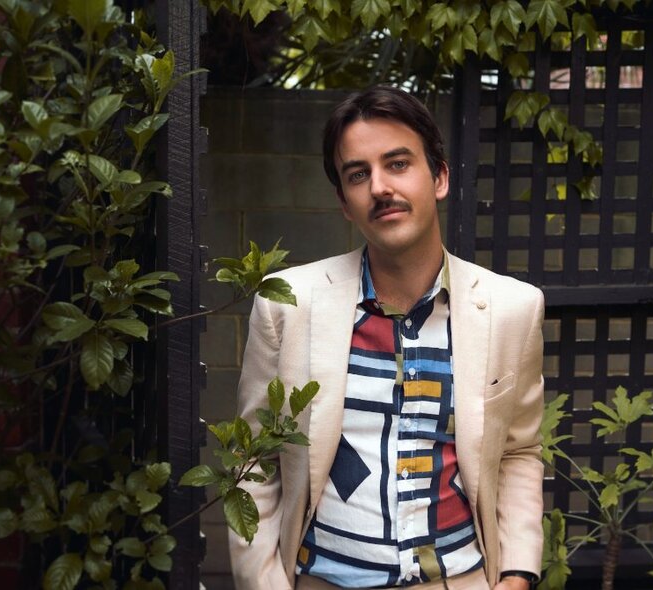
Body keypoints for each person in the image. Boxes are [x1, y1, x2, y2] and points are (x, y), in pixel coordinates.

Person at [229, 86, 545, 590]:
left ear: (439, 177)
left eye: (398, 164)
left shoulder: (511, 309)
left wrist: (517, 575)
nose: (379, 186)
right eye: (359, 174)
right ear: (344, 203)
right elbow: (255, 460)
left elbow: (520, 452)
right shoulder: (288, 304)